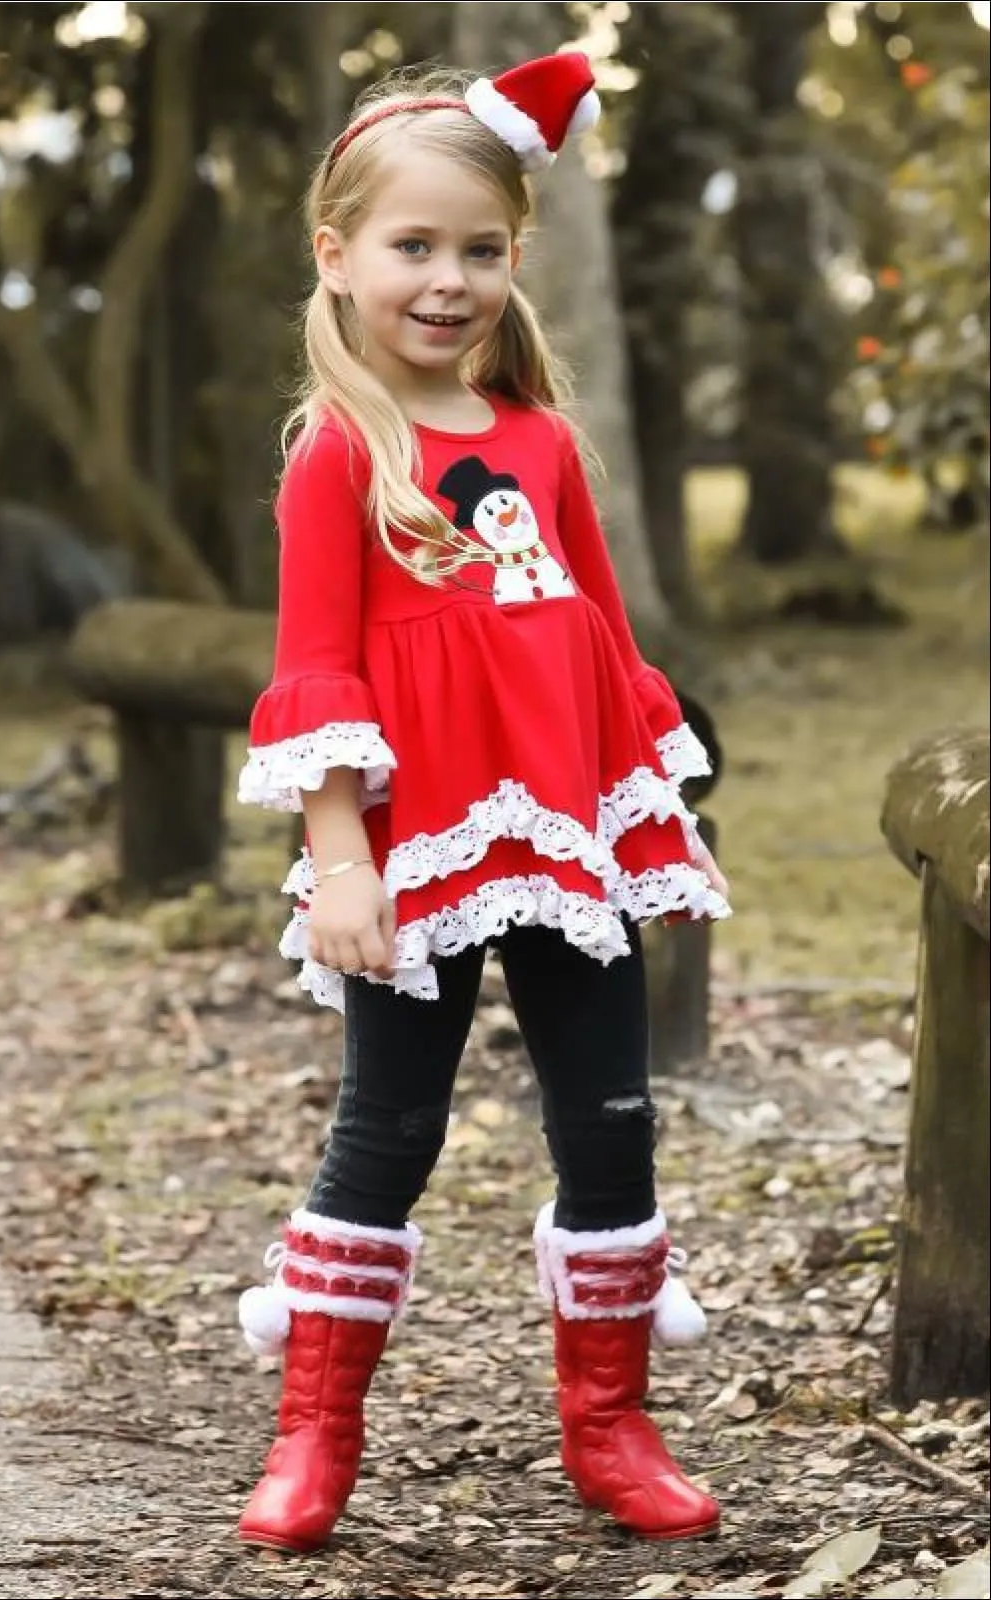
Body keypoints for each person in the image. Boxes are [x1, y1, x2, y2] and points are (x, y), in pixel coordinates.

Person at [233, 51, 732, 1555]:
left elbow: (600, 638)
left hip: (569, 836)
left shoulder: (545, 444)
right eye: (413, 246)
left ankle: (612, 1427)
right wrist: (341, 861)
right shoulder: (339, 457)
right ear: (338, 255)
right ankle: (315, 1430)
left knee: (614, 1119)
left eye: (480, 249)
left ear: (515, 259)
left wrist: (647, 803)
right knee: (390, 1123)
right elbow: (314, 668)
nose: (447, 281)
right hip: (422, 847)